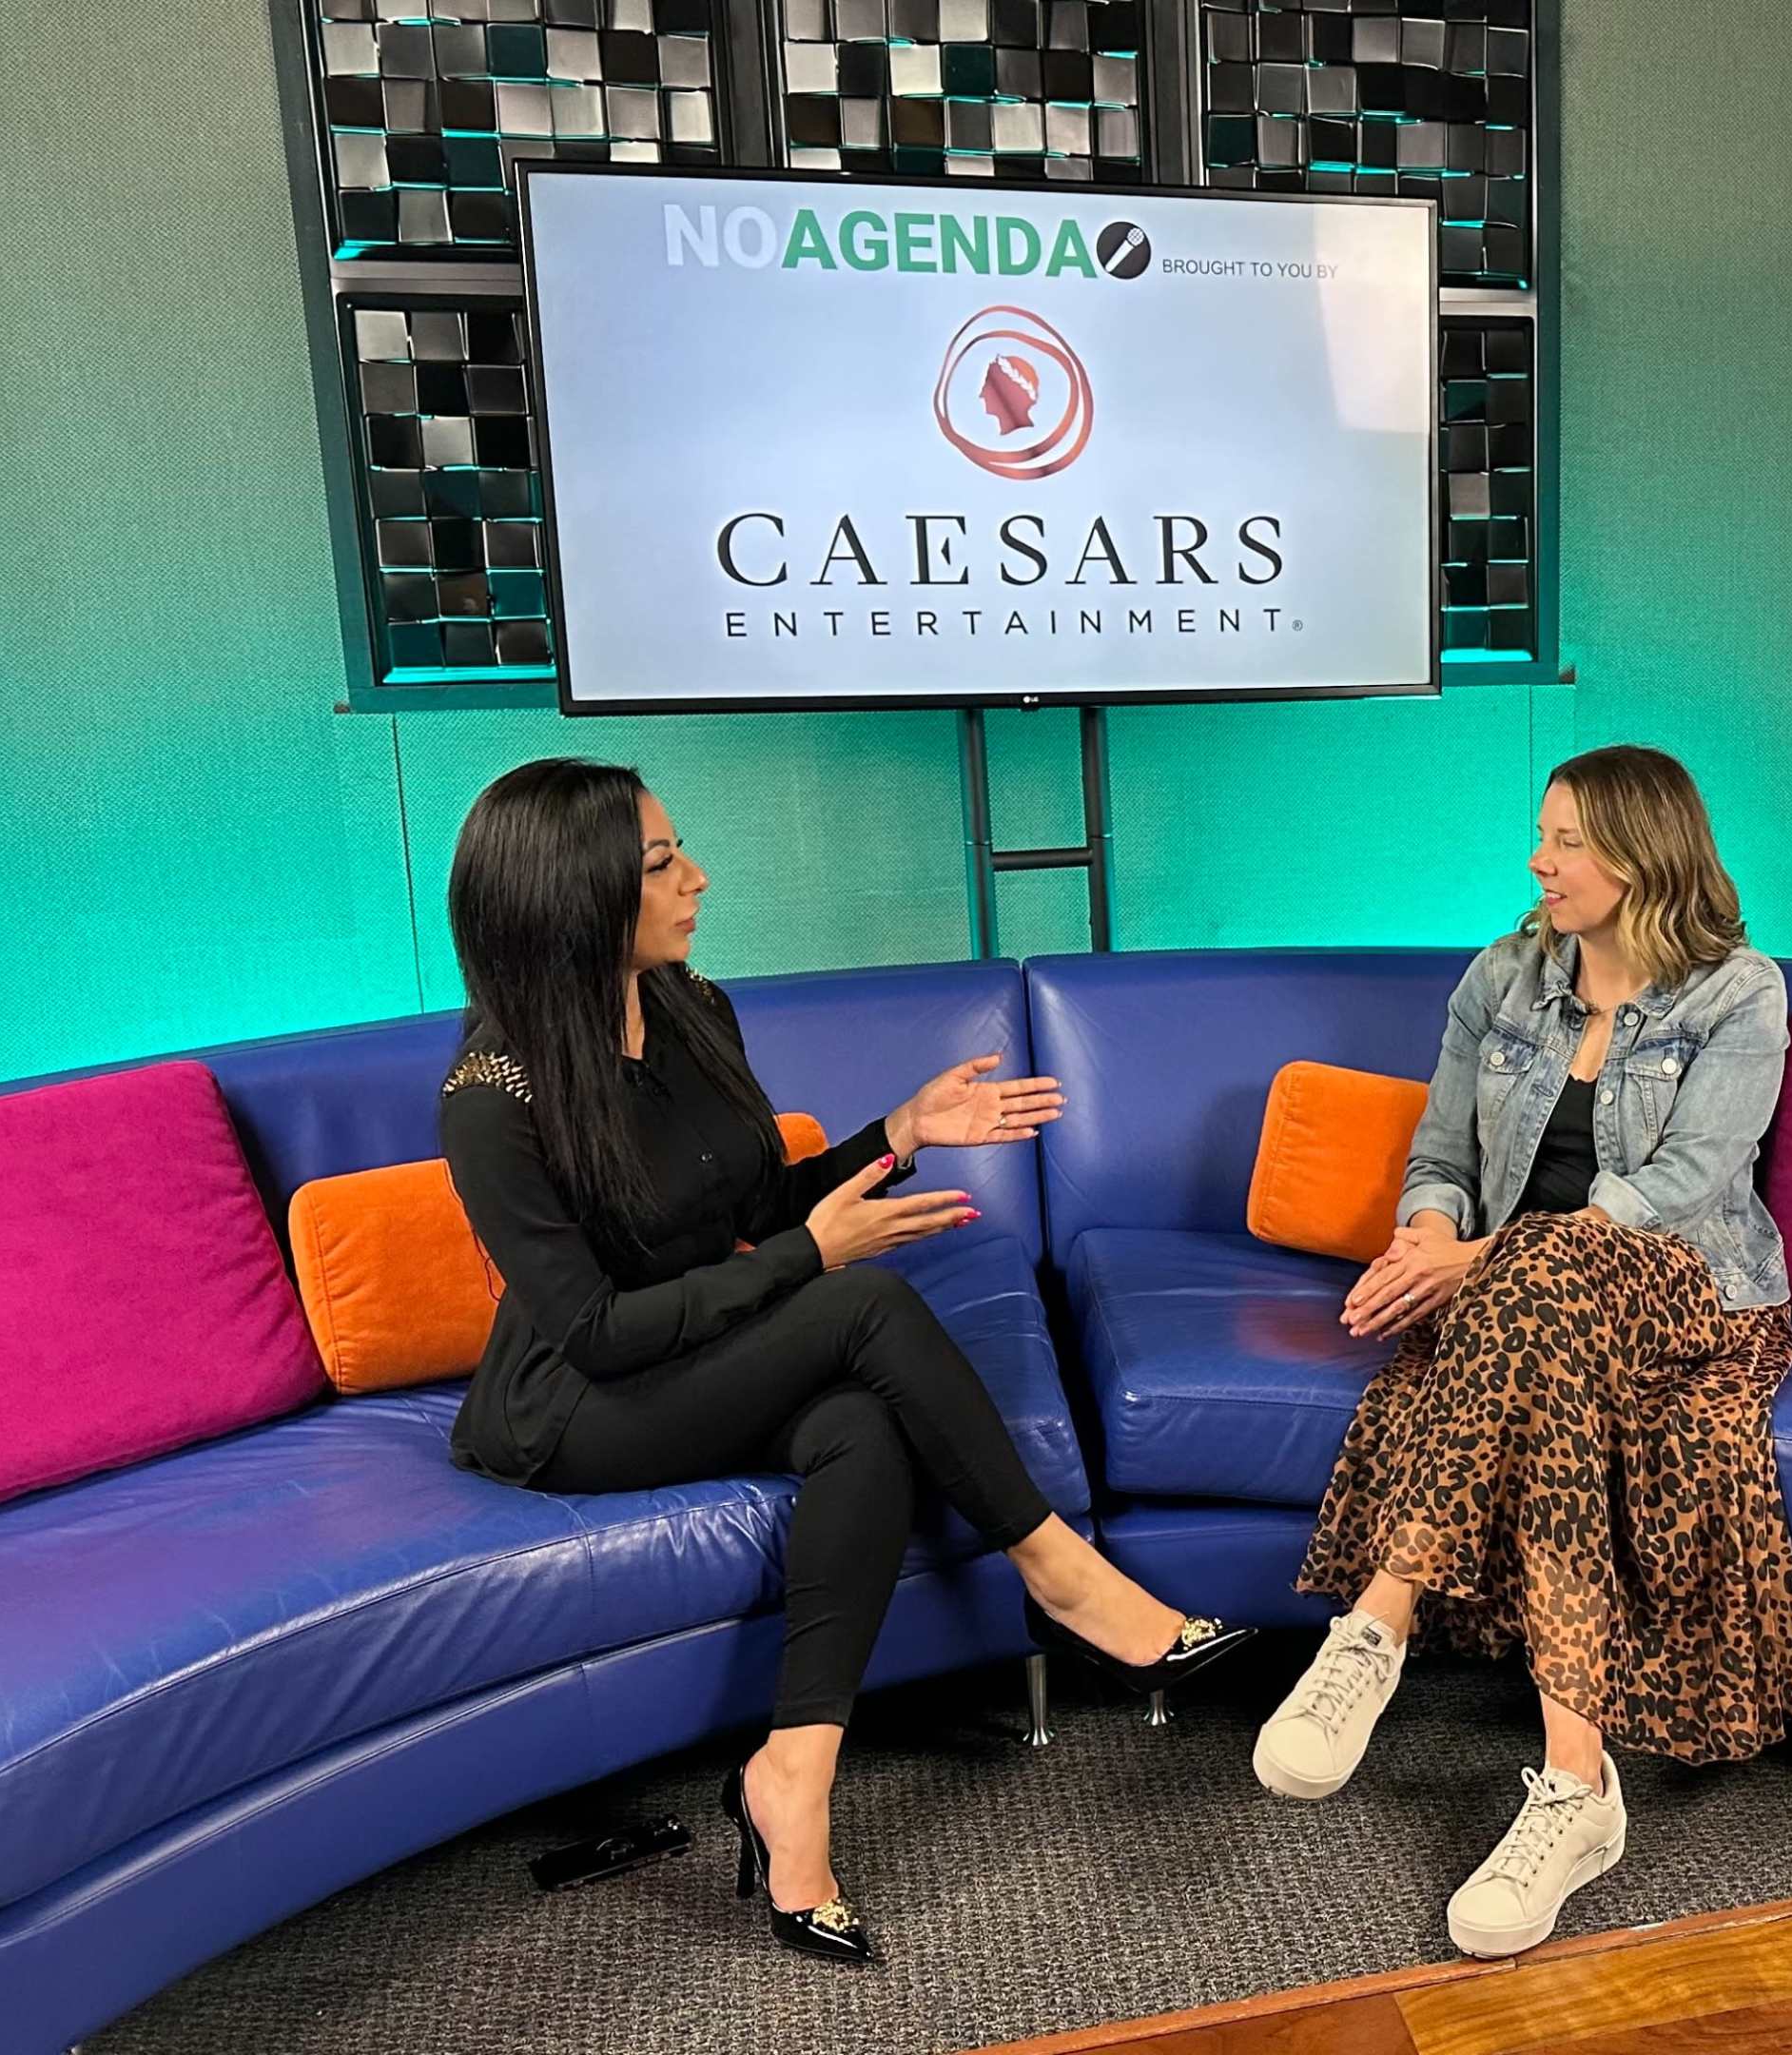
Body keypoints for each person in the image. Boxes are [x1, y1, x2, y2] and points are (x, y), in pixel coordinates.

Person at [436, 757, 1252, 1967]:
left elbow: (753, 1206)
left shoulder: (693, 1008)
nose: (696, 876)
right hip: (578, 1407)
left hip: (697, 1354)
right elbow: (599, 1329)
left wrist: (900, 1136)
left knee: (859, 1430)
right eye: (661, 863)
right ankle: (1065, 1578)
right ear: (575, 897)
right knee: (862, 1306)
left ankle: (791, 1780)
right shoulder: (490, 1100)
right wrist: (813, 1257)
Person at [1252, 744, 1792, 1959]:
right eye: (1543, 836)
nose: (1537, 861)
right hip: (1537, 1316)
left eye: (1563, 840)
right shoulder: (1504, 979)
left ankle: (1379, 1618)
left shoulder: (1740, 995)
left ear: (1638, 853)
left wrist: (1483, 1267)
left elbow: (1680, 1183)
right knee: (1547, 1354)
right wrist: (1428, 1235)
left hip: (1693, 1299)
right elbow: (1442, 1156)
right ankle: (1576, 1789)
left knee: (1549, 1272)